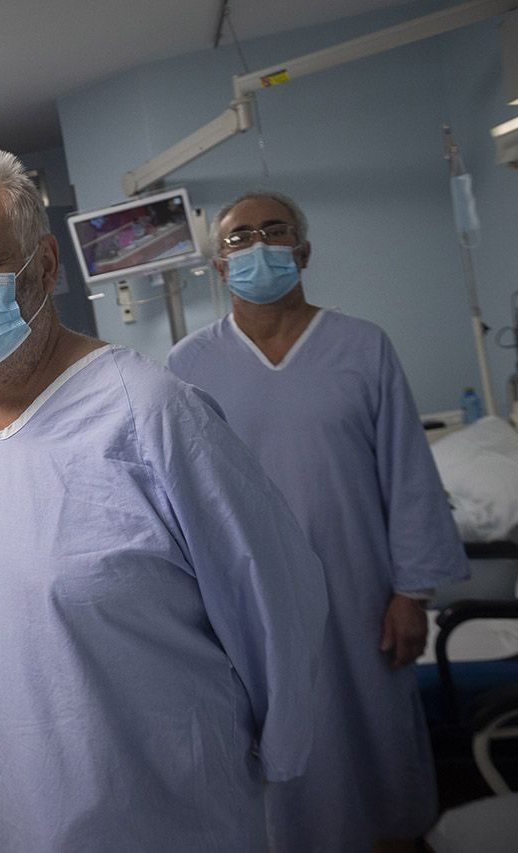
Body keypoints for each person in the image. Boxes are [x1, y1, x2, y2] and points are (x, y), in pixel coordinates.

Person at [0, 148, 330, 851]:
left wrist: (277, 753)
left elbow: (272, 597)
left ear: (46, 266)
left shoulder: (153, 414)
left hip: (156, 809)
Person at [167, 189, 470, 850]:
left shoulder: (363, 349)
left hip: (360, 594)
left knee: (375, 751)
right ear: (219, 266)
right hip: (248, 607)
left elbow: (408, 477)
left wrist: (412, 593)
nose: (258, 245)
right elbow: (177, 501)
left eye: (274, 231)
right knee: (275, 760)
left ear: (302, 251)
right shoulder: (186, 369)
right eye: (239, 238)